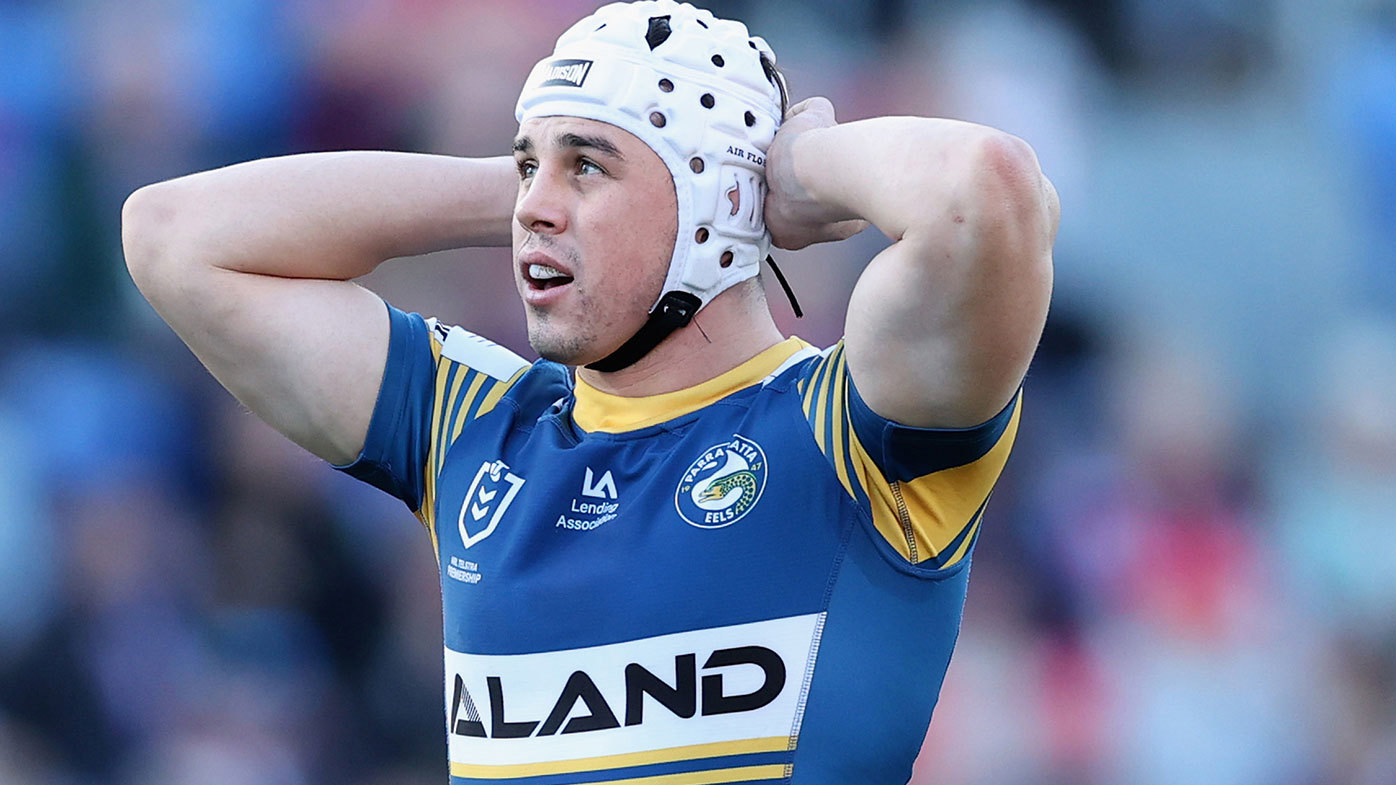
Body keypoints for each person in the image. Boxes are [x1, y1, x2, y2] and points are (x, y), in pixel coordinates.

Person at [122, 0, 1057, 781]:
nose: (536, 202)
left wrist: (795, 169)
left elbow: (990, 191)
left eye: (587, 167)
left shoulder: (850, 431)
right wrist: (532, 185)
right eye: (532, 162)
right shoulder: (474, 427)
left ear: (717, 202)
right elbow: (172, 234)